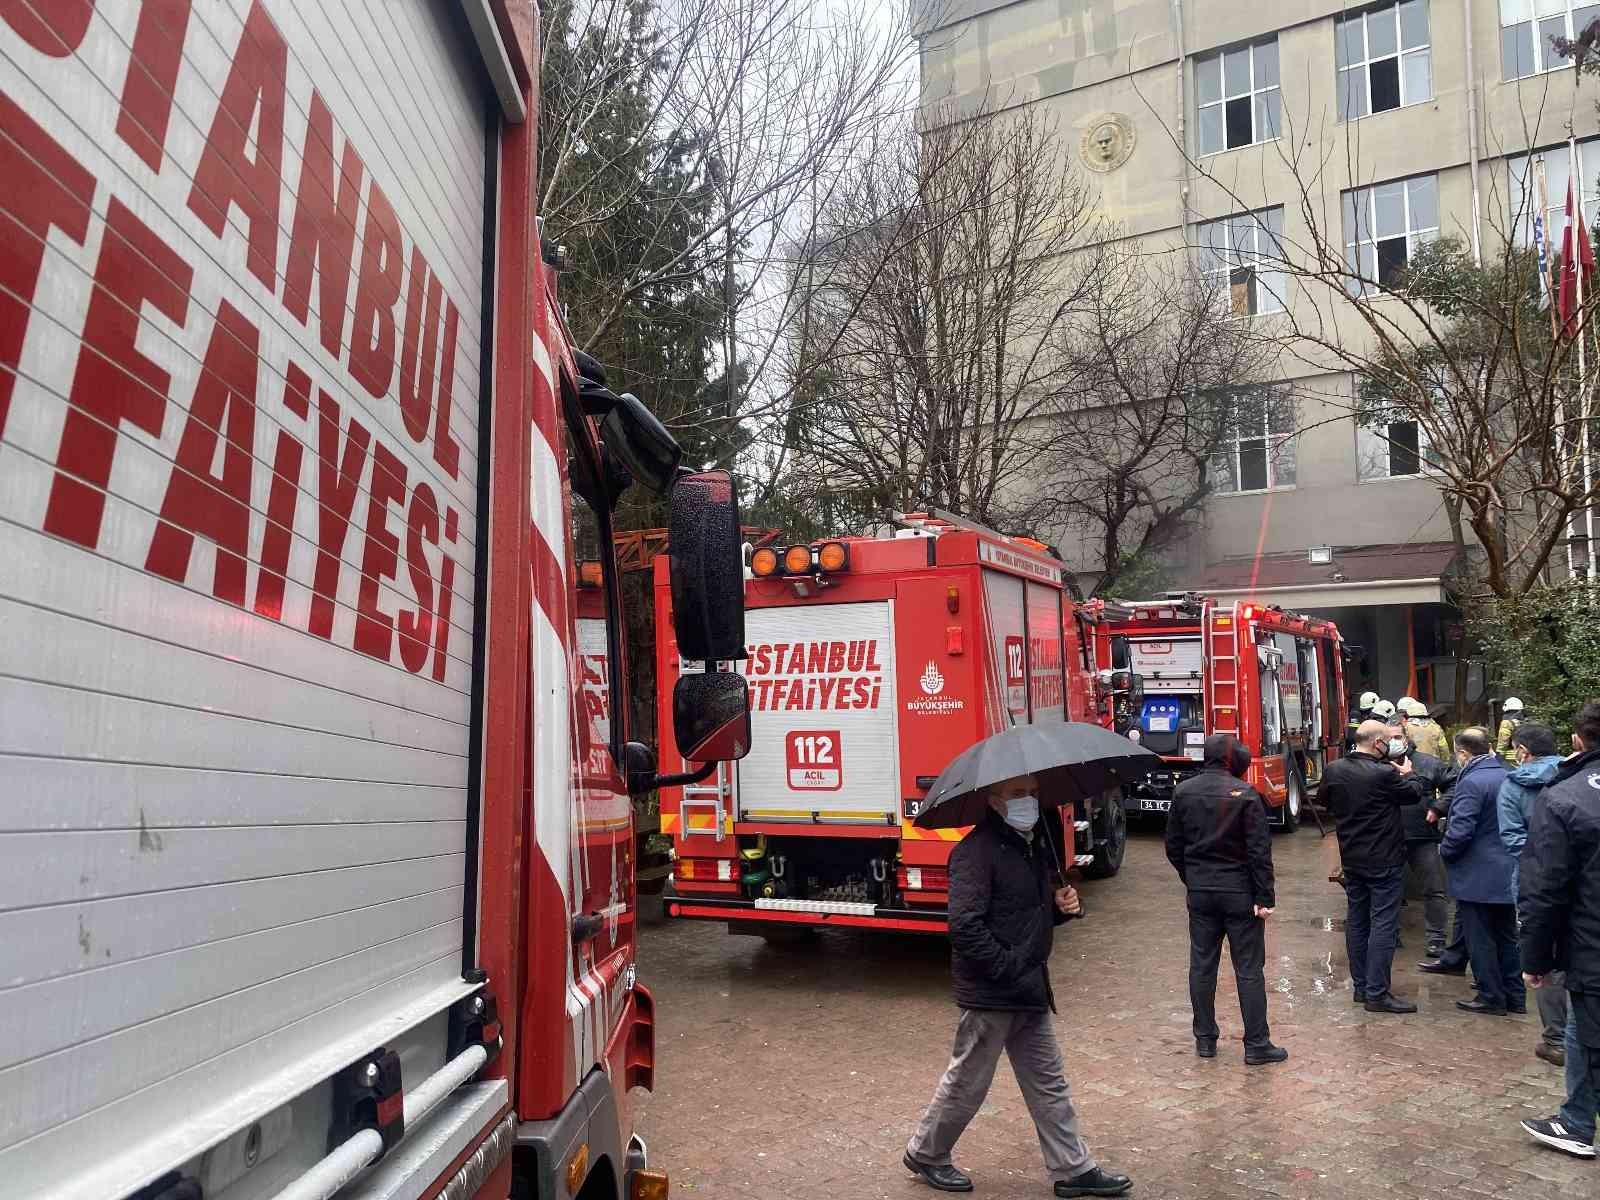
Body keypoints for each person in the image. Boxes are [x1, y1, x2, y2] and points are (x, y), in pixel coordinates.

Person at [905, 775, 1131, 1197]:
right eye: (1017, 794)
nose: (1028, 802)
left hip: (1029, 988)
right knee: (968, 1082)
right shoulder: (975, 852)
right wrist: (1007, 967)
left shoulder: (1031, 846)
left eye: (1032, 793)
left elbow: (1027, 913)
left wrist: (1063, 909)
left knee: (1049, 1081)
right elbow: (965, 927)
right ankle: (927, 1152)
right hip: (994, 991)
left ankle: (1073, 1168)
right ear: (994, 803)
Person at [1165, 735, 1286, 1065]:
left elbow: (1173, 846)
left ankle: (1205, 1039)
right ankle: (1257, 1043)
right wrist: (1264, 896)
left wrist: (1193, 878)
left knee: (1202, 965)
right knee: (1248, 968)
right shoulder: (1246, 794)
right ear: (1234, 761)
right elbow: (1259, 851)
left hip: (1201, 893)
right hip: (1240, 894)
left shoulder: (1183, 792)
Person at [1518, 700, 1600, 1161]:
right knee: (1579, 1031)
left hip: (1590, 948)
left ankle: (1577, 1126)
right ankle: (1575, 1119)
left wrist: (1535, 959)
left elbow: (1543, 889)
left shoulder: (1565, 797)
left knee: (1589, 1037)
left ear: (1577, 740)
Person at [1322, 718, 1423, 1013]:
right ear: (1378, 743)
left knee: (1357, 920)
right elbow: (1413, 794)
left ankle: (1362, 988)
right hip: (1384, 859)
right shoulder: (1383, 774)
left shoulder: (1334, 769)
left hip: (1352, 857)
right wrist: (1409, 774)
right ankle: (1378, 993)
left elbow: (1326, 800)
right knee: (1383, 923)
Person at [1438, 728, 1524, 1015]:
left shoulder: (1472, 782)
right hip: (1506, 871)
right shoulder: (1508, 774)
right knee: (1507, 937)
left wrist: (1445, 851)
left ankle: (1491, 996)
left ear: (1463, 753)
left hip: (1478, 875)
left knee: (1481, 939)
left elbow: (1460, 829)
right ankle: (1515, 996)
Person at [1497, 722, 1568, 1064]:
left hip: (1532, 883)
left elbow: (1512, 840)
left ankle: (1556, 1039)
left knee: (1544, 958)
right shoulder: (1575, 776)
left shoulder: (1511, 786)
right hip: (1578, 878)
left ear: (1523, 752)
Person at [1392, 722, 1455, 960]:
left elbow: (1454, 783)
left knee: (1434, 889)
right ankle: (1391, 935)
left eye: (1398, 736)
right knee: (1390, 889)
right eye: (1390, 737)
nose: (1395, 741)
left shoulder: (1428, 763)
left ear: (1406, 739)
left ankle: (1436, 939)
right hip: (1389, 837)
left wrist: (1438, 808)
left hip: (1422, 836)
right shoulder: (1377, 765)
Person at [1496, 697, 1527, 763]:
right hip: (1526, 756)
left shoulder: (1506, 723)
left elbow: (1503, 742)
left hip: (1511, 758)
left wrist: (1499, 756)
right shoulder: (1525, 721)